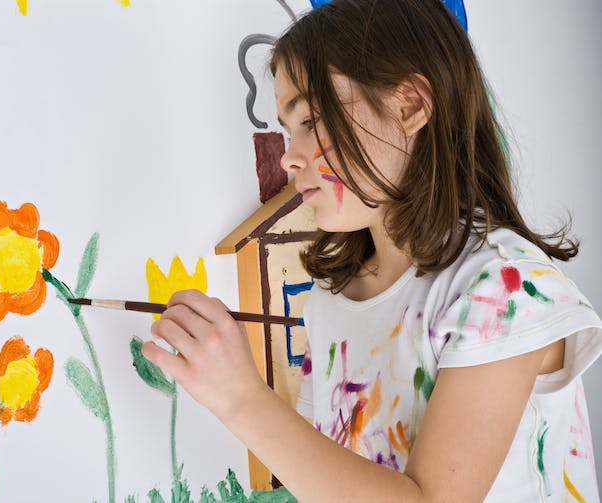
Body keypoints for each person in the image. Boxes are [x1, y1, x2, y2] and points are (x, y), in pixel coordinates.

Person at [141, 0, 602, 500]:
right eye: (286, 128)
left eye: (311, 120)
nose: (290, 156)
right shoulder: (329, 303)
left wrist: (241, 400)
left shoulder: (505, 290)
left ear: (409, 107)